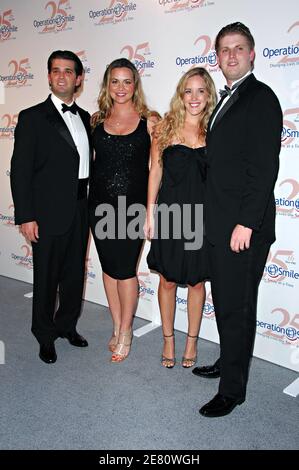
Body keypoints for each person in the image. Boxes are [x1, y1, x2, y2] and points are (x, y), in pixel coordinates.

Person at [192, 23, 282, 417]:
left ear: (252, 54)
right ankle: (228, 363)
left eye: (238, 48)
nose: (230, 56)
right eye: (224, 50)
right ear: (217, 57)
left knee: (237, 308)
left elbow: (264, 168)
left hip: (242, 228)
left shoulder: (261, 98)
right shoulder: (225, 99)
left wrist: (246, 223)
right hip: (220, 224)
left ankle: (233, 390)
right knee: (225, 301)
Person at [10, 50, 92, 364]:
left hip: (81, 207)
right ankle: (44, 336)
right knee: (46, 278)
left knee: (74, 275)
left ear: (78, 78)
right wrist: (26, 216)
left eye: (68, 71)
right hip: (46, 213)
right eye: (55, 70)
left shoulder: (85, 117)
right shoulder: (32, 117)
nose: (61, 76)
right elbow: (20, 171)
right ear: (48, 76)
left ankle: (67, 325)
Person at [145, 67, 217, 369]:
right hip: (170, 215)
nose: (194, 97)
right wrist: (149, 212)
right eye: (188, 90)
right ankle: (168, 339)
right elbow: (155, 172)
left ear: (209, 94)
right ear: (180, 94)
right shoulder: (164, 129)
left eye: (201, 90)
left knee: (198, 283)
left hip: (203, 217)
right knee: (168, 280)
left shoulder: (215, 130)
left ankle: (191, 342)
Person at [89, 58, 159, 363]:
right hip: (99, 206)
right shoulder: (95, 120)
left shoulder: (150, 121)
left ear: (135, 85)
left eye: (127, 81)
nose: (121, 88)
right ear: (107, 84)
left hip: (132, 210)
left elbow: (156, 167)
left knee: (125, 270)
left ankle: (127, 330)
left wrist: (151, 210)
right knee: (108, 269)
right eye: (115, 81)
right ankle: (117, 325)